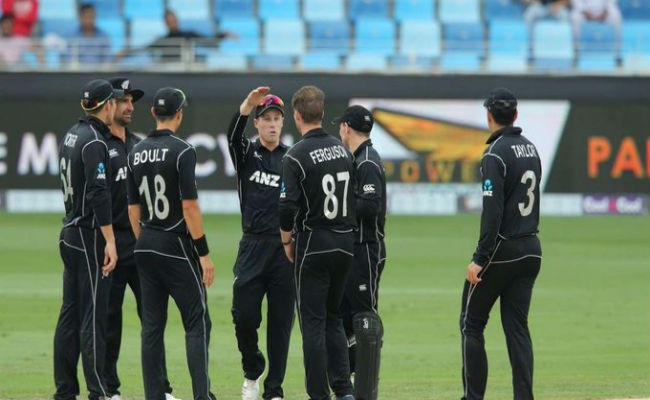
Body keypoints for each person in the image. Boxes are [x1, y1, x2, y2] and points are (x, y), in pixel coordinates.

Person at [126, 87, 217, 400]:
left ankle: (154, 396)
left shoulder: (135, 151)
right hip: (175, 245)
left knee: (152, 327)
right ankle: (202, 396)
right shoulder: (183, 150)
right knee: (197, 322)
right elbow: (189, 206)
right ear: (179, 114)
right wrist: (203, 254)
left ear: (153, 113)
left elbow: (133, 209)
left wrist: (145, 241)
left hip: (145, 243)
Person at [460, 88, 543, 400]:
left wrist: (479, 258)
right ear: (516, 115)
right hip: (531, 248)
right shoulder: (531, 148)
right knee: (517, 328)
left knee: (471, 324)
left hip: (502, 250)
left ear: (489, 116)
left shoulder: (494, 154)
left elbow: (492, 211)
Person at [102, 77, 179, 400]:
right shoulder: (97, 144)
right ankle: (108, 389)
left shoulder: (137, 145)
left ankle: (160, 389)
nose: (129, 106)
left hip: (140, 242)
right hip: (107, 245)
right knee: (109, 320)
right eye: (123, 100)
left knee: (152, 319)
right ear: (109, 104)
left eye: (132, 101)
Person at [278, 85, 356, 400]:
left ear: (297, 116)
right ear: (322, 113)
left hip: (314, 242)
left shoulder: (295, 155)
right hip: (345, 243)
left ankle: (318, 394)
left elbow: (287, 206)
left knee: (312, 323)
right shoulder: (342, 150)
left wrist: (286, 240)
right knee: (333, 317)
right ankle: (344, 390)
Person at [226, 87, 295, 400]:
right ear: (256, 123)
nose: (272, 124)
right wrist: (246, 106)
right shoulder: (247, 154)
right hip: (252, 247)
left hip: (284, 250)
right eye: (266, 118)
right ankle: (252, 367)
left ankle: (274, 389)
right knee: (244, 316)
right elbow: (231, 136)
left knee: (280, 324)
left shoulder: (291, 158)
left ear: (283, 123)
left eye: (277, 119)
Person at [54, 78, 120, 400]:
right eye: (115, 102)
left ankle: (65, 391)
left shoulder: (72, 134)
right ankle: (99, 391)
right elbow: (98, 192)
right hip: (87, 234)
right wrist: (110, 240)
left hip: (69, 231)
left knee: (70, 314)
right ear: (107, 106)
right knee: (93, 316)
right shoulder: (95, 141)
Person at [334, 105, 387, 400]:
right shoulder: (358, 158)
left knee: (364, 318)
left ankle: (366, 388)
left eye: (340, 126)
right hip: (354, 248)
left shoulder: (366, 161)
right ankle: (350, 383)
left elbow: (369, 205)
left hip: (366, 248)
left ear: (346, 128)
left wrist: (341, 206)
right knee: (345, 318)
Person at [148, 9, 234, 62]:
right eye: (170, 22)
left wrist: (223, 35)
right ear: (166, 23)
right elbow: (147, 49)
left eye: (174, 21)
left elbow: (207, 41)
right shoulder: (162, 40)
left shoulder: (187, 35)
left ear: (177, 20)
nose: (173, 24)